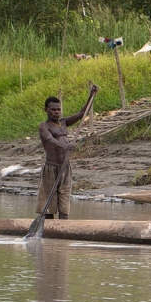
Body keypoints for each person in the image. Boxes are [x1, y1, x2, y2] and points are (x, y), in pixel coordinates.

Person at [36, 86, 98, 220]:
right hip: (50, 167)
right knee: (49, 202)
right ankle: (50, 229)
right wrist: (65, 146)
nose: (56, 112)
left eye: (58, 109)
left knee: (64, 201)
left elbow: (82, 113)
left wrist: (91, 96)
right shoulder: (44, 126)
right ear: (46, 110)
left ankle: (63, 227)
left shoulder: (64, 122)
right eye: (53, 109)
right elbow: (49, 139)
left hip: (65, 167)